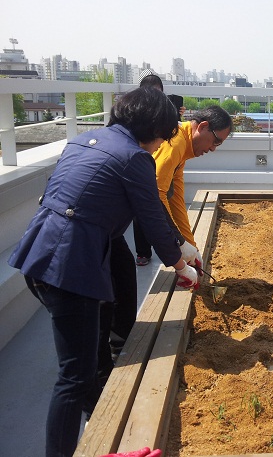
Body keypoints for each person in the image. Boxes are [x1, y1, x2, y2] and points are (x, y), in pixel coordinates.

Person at [8, 86, 200, 457]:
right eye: (162, 134)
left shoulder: (86, 139)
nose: (160, 143)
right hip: (70, 267)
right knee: (73, 377)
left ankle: (99, 420)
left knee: (86, 354)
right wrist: (181, 265)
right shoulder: (134, 157)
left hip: (39, 252)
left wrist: (180, 248)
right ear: (152, 128)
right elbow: (150, 218)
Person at [133, 105, 232, 266]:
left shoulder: (183, 146)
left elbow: (176, 199)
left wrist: (191, 246)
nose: (213, 148)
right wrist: (179, 245)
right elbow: (156, 195)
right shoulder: (176, 143)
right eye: (215, 141)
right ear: (203, 126)